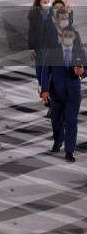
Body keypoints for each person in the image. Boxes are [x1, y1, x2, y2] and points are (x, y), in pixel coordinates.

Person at [41, 27, 87, 162]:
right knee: (56, 120)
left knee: (71, 121)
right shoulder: (53, 52)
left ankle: (69, 151)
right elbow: (45, 71)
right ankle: (58, 140)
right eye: (65, 35)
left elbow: (85, 70)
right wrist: (45, 90)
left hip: (73, 93)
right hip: (56, 92)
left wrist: (82, 72)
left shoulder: (80, 51)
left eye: (70, 36)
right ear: (61, 36)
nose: (67, 37)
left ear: (74, 37)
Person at [28, 0, 52, 90]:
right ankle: (41, 85)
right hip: (39, 47)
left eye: (48, 1)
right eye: (45, 2)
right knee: (40, 67)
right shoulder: (34, 15)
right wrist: (31, 48)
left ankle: (48, 88)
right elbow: (31, 32)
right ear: (39, 3)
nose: (48, 4)